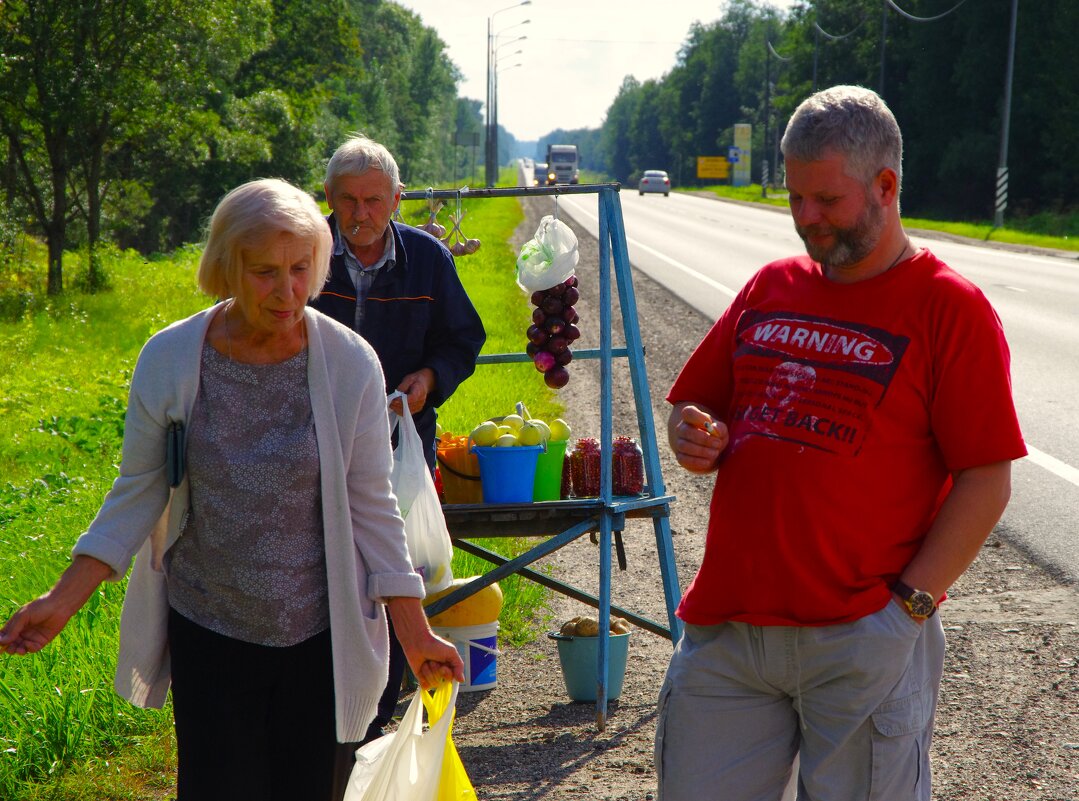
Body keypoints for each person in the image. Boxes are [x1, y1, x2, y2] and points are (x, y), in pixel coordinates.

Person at [0, 178, 464, 801]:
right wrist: (62, 600)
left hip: (319, 637)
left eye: (302, 269)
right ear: (226, 267)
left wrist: (415, 633)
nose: (288, 291)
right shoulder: (170, 359)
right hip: (209, 629)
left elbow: (373, 507)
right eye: (265, 272)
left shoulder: (350, 362)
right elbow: (137, 491)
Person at [654, 85, 1026, 801]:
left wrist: (905, 613)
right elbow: (695, 400)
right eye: (795, 199)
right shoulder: (771, 285)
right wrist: (690, 430)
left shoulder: (949, 308)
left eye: (825, 201)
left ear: (884, 185)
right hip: (729, 633)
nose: (805, 220)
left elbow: (986, 477)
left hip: (860, 635)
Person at [309, 135, 485, 744]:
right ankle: (322, 708)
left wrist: (429, 380)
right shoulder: (305, 252)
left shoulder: (428, 261)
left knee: (391, 574)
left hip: (396, 446)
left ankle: (376, 715)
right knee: (321, 576)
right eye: (348, 201)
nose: (360, 215)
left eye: (374, 201)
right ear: (326, 197)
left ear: (397, 200)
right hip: (309, 446)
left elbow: (463, 338)